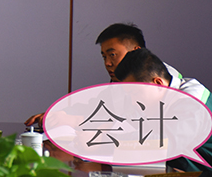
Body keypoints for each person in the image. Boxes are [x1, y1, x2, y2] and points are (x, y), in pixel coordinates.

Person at [24, 23, 181, 127]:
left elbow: (140, 127)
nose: (107, 63)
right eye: (104, 57)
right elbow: (99, 108)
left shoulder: (155, 81)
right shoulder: (121, 80)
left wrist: (76, 121)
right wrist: (60, 115)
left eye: (112, 55)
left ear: (136, 51)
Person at [115, 48, 212, 177]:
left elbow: (163, 145)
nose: (132, 101)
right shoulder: (158, 100)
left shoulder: (191, 102)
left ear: (158, 83)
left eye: (135, 93)